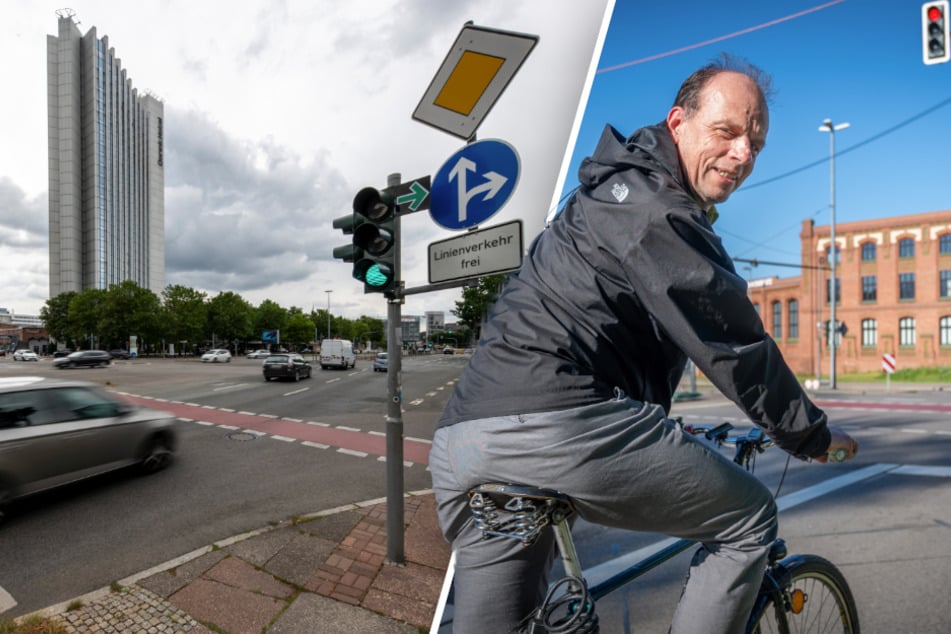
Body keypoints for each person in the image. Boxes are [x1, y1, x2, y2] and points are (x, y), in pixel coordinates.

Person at [428, 54, 859, 634]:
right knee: (749, 518)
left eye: (755, 142)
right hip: (559, 424)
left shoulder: (602, 197)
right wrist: (810, 435)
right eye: (727, 132)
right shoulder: (657, 209)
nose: (743, 155)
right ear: (678, 123)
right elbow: (732, 342)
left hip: (464, 443)